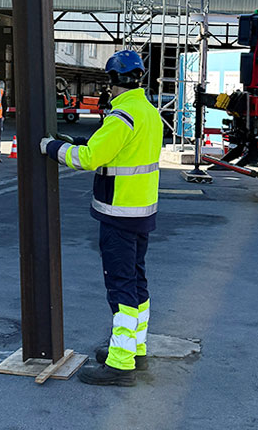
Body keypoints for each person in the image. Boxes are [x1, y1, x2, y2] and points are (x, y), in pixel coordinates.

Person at [41, 50, 163, 386]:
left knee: (120, 287)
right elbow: (121, 150)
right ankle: (135, 350)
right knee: (136, 282)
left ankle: (120, 365)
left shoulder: (122, 115)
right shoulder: (147, 112)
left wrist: (51, 148)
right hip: (141, 212)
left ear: (112, 81)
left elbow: (91, 158)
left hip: (118, 213)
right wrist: (79, 140)